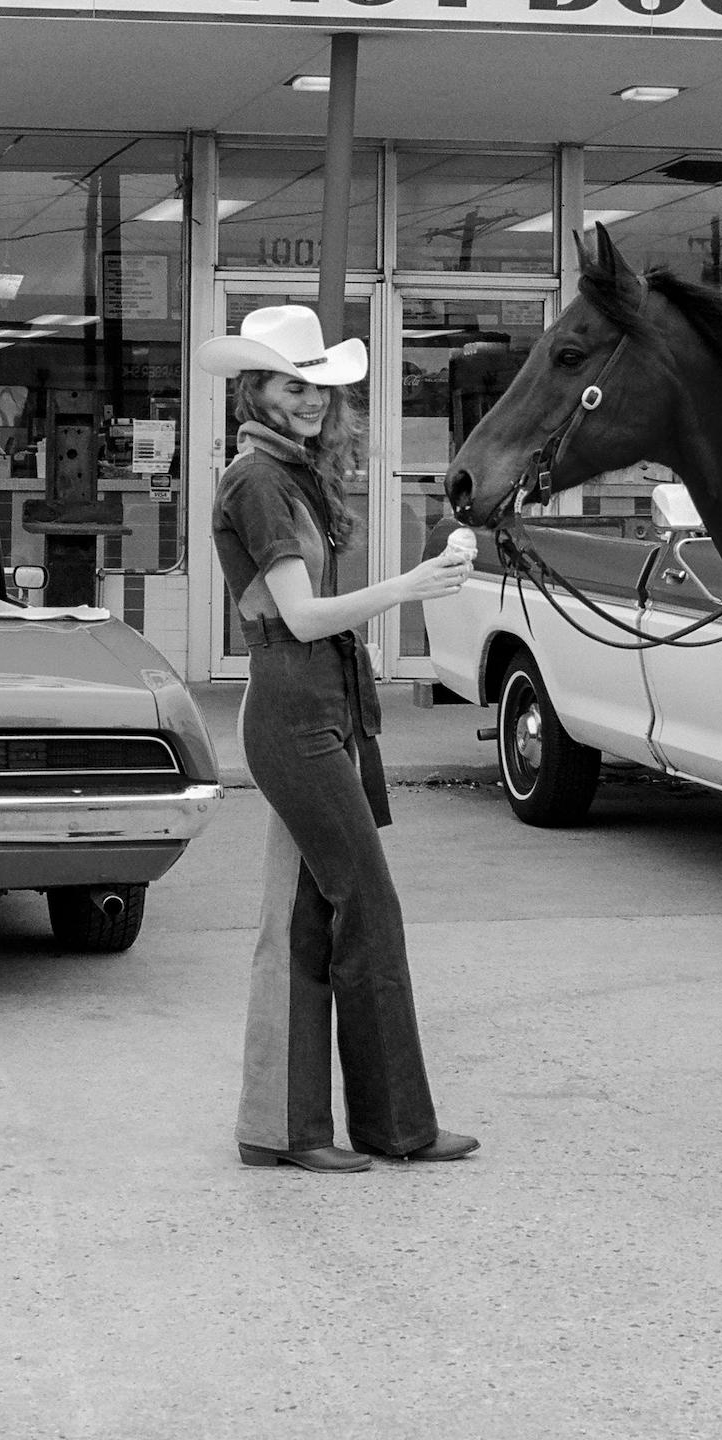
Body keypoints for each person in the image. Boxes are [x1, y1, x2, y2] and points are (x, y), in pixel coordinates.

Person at [200, 305, 481, 1172]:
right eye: (294, 385)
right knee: (366, 904)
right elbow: (303, 614)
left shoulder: (287, 474)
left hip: (317, 702)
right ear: (255, 389)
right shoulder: (258, 480)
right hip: (295, 707)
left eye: (319, 385)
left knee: (312, 915)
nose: (313, 399)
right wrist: (412, 585)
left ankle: (291, 1130)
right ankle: (388, 1127)